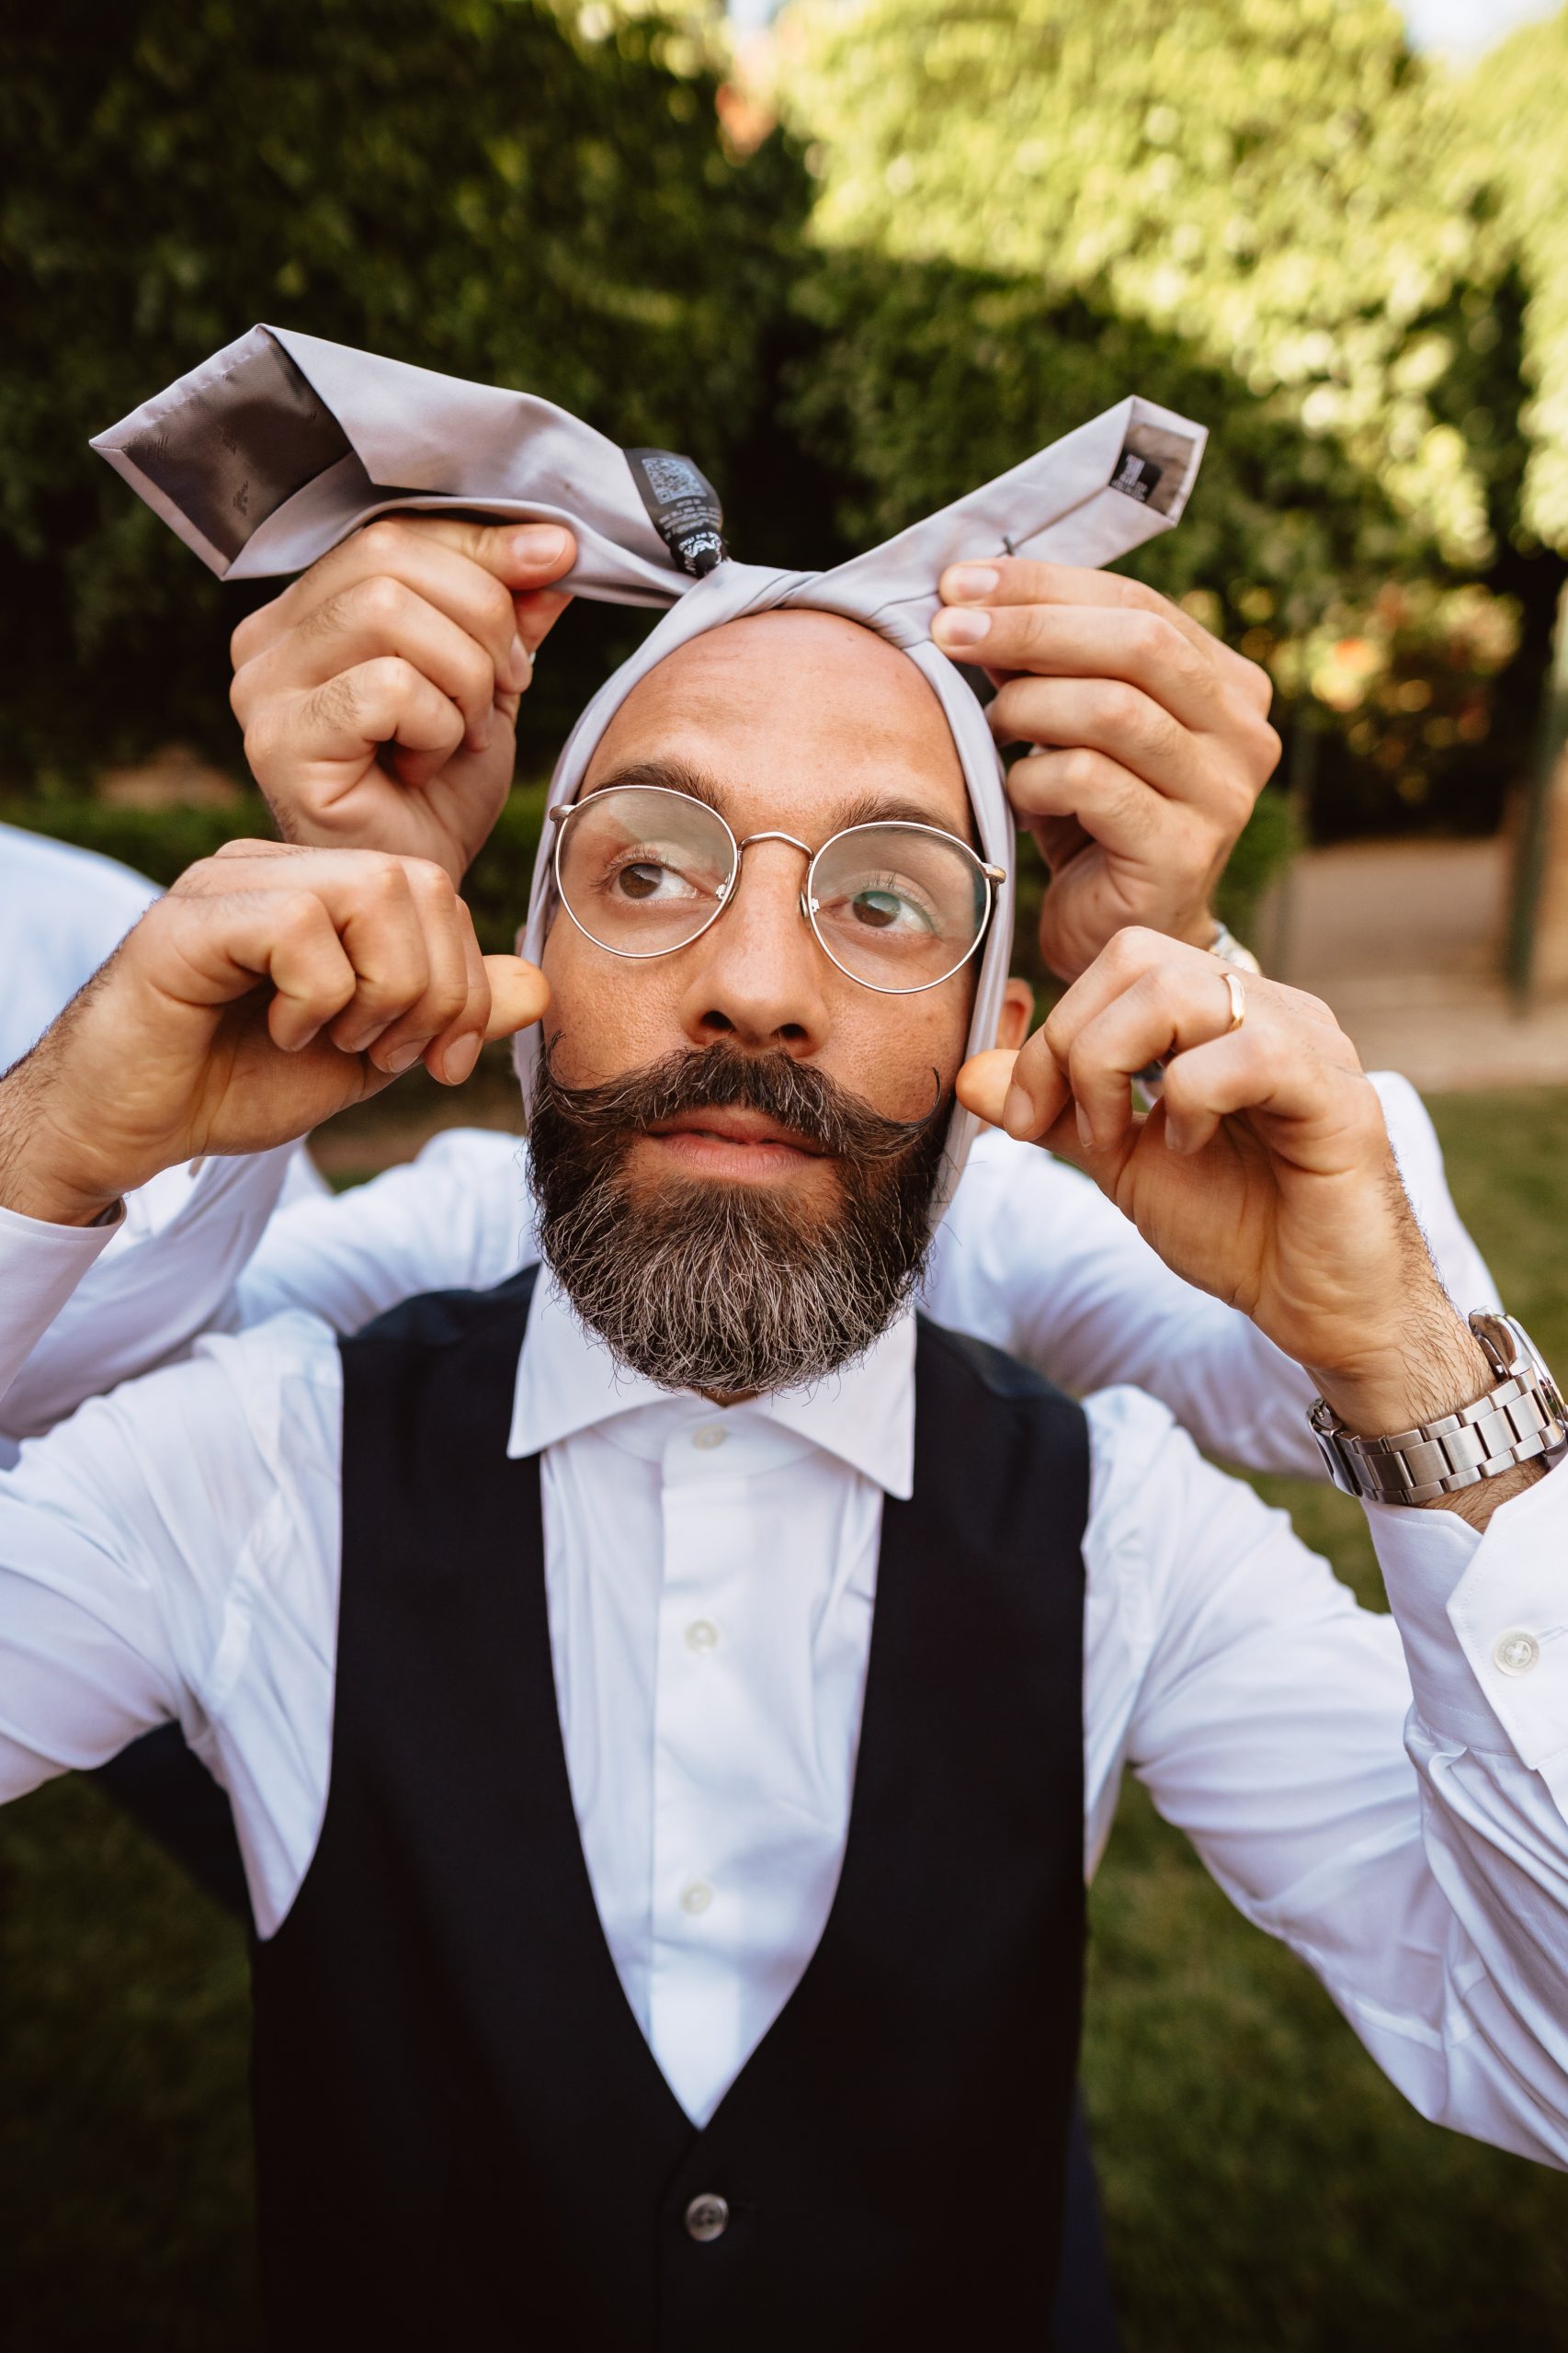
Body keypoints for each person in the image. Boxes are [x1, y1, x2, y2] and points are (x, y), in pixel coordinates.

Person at [0, 586, 1564, 2352]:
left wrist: (1412, 1360)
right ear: (524, 966)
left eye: (882, 897)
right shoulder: (255, 1470)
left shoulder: (1117, 1532)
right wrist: (50, 1137)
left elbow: (1546, 2054)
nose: (753, 986)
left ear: (997, 1026)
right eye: (650, 873)